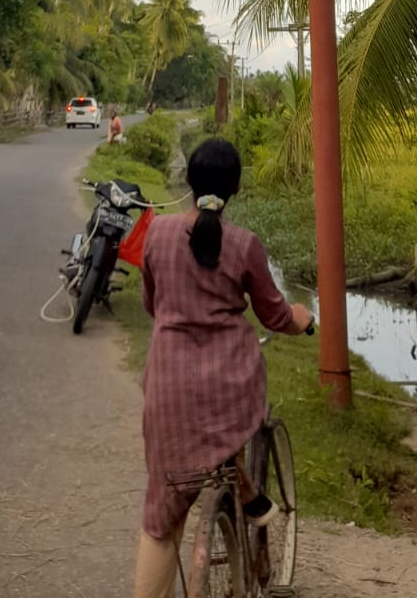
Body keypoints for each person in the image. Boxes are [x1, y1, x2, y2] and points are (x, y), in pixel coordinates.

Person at [133, 137, 313, 598]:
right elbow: (275, 317)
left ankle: (247, 494)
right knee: (231, 428)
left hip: (168, 388)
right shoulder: (244, 245)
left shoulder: (157, 234)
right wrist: (303, 318)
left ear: (189, 182)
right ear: (234, 188)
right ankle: (248, 492)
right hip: (230, 387)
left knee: (161, 521)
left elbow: (153, 304)